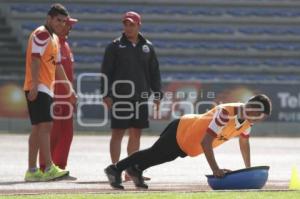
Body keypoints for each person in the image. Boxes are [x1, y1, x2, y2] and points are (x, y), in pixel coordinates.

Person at [104, 94, 272, 189]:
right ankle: (115, 168)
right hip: (183, 129)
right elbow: (207, 143)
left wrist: (248, 169)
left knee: (164, 157)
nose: (256, 117)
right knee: (154, 153)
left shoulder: (248, 122)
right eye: (256, 112)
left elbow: (244, 143)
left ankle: (136, 169)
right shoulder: (225, 113)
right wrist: (215, 169)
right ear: (250, 105)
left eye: (259, 116)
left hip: (189, 141)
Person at [100, 11, 163, 181]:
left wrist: (157, 94)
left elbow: (154, 73)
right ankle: (115, 169)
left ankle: (130, 170)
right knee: (118, 133)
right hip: (120, 97)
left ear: (139, 25)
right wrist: (106, 94)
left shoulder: (148, 47)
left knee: (136, 133)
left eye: (131, 24)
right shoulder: (114, 46)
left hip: (141, 97)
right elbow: (106, 72)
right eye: (125, 24)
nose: (128, 27)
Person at [23, 3, 77, 182]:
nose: (61, 24)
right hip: (39, 86)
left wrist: (69, 89)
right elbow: (35, 60)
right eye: (58, 20)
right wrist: (35, 85)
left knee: (39, 128)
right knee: (45, 127)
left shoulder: (52, 37)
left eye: (63, 21)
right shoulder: (42, 34)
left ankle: (32, 170)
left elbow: (58, 65)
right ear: (49, 19)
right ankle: (49, 168)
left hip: (45, 86)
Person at [39, 13, 78, 173]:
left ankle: (60, 165)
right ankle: (45, 166)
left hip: (65, 97)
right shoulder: (52, 43)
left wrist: (70, 92)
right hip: (54, 95)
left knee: (67, 133)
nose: (69, 27)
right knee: (53, 132)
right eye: (67, 24)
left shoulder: (66, 45)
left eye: (69, 24)